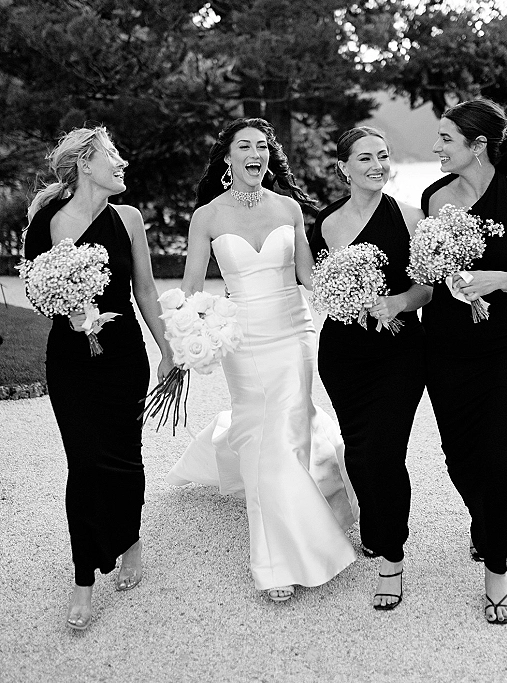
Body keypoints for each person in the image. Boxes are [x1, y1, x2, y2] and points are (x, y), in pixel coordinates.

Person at [166, 117, 358, 601]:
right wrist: (189, 335)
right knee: (262, 435)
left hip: (294, 332)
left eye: (263, 146)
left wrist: (353, 294)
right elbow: (192, 289)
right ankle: (294, 540)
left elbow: (307, 275)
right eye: (244, 145)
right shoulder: (207, 216)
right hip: (242, 340)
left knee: (287, 430)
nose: (256, 153)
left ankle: (279, 558)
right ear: (228, 157)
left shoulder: (289, 207)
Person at [23, 126, 173, 631]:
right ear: (86, 164)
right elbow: (37, 291)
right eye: (114, 156)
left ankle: (129, 540)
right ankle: (83, 577)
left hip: (123, 356)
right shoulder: (45, 222)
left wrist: (168, 349)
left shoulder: (128, 219)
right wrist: (69, 314)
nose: (123, 164)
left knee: (126, 458)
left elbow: (147, 293)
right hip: (70, 360)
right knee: (85, 465)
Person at [421, 98, 507, 625]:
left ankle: (497, 563)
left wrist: (501, 280)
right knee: (458, 456)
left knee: (496, 456)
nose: (436, 148)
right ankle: (488, 519)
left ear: (478, 146)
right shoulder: (434, 199)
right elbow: (429, 274)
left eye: (446, 139)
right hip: (446, 349)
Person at [309, 126, 432, 610]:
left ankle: (392, 556)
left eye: (383, 156)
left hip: (400, 352)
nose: (377, 165)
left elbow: (427, 288)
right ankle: (378, 530)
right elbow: (316, 287)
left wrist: (398, 301)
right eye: (365, 158)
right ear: (344, 168)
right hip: (342, 356)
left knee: (383, 451)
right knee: (359, 455)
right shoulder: (324, 224)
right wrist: (344, 298)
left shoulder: (408, 216)